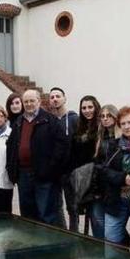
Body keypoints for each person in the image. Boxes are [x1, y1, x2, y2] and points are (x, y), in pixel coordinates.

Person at [6, 89, 67, 227]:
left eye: (32, 101)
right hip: (23, 175)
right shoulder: (19, 122)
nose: (28, 104)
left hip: (44, 176)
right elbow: (11, 146)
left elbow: (61, 147)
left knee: (46, 214)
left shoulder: (50, 120)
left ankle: (47, 245)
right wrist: (11, 169)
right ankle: (31, 244)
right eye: (26, 101)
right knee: (27, 215)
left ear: (39, 101)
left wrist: (51, 169)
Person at [97, 106, 130, 245]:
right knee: (111, 237)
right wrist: (123, 178)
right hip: (117, 197)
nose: (127, 126)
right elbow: (104, 170)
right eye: (123, 123)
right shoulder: (115, 144)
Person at [48, 87, 79, 231]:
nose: (55, 99)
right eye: (52, 97)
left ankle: (74, 233)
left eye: (58, 96)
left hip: (71, 170)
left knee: (72, 206)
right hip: (54, 171)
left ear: (64, 99)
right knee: (56, 205)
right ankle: (62, 231)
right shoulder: (49, 121)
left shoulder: (74, 119)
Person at [89, 105, 120, 239]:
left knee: (113, 226)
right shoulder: (100, 137)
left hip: (115, 186)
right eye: (102, 116)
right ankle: (100, 250)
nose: (105, 119)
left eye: (109, 116)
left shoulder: (121, 137)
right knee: (97, 220)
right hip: (99, 186)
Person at [70, 95, 101, 233]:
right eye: (84, 108)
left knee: (96, 217)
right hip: (81, 178)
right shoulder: (79, 127)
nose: (87, 110)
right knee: (88, 215)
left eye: (90, 107)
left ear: (96, 107)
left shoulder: (101, 127)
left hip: (96, 178)